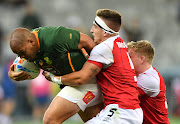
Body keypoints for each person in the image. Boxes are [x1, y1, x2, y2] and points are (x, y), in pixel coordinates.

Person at [44, 9, 143, 124]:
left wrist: (55, 78)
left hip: (121, 112)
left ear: (105, 32)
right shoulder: (119, 42)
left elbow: (81, 78)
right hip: (131, 110)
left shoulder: (103, 48)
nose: (91, 30)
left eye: (95, 27)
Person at [8, 26, 104, 124]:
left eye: (22, 53)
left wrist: (101, 70)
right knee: (96, 121)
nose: (22, 57)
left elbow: (87, 41)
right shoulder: (28, 45)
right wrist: (12, 74)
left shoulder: (54, 37)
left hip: (84, 82)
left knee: (50, 120)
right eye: (19, 55)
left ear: (31, 42)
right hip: (71, 83)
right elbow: (20, 58)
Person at [127, 40, 170, 124]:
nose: (127, 60)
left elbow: (127, 97)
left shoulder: (149, 79)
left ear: (142, 59)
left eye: (130, 57)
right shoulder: (142, 74)